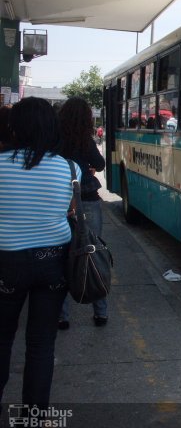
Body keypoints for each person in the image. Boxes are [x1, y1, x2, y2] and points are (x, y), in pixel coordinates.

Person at [0, 97, 80, 407]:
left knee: (3, 338)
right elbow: (71, 212)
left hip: (6, 262)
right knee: (41, 344)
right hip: (53, 263)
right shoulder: (68, 168)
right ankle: (33, 415)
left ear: (15, 128)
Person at [57, 97, 108, 329]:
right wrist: (89, 167)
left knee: (63, 257)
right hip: (87, 199)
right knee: (92, 250)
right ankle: (100, 312)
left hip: (62, 202)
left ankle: (62, 316)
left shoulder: (55, 140)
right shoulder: (86, 141)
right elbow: (100, 164)